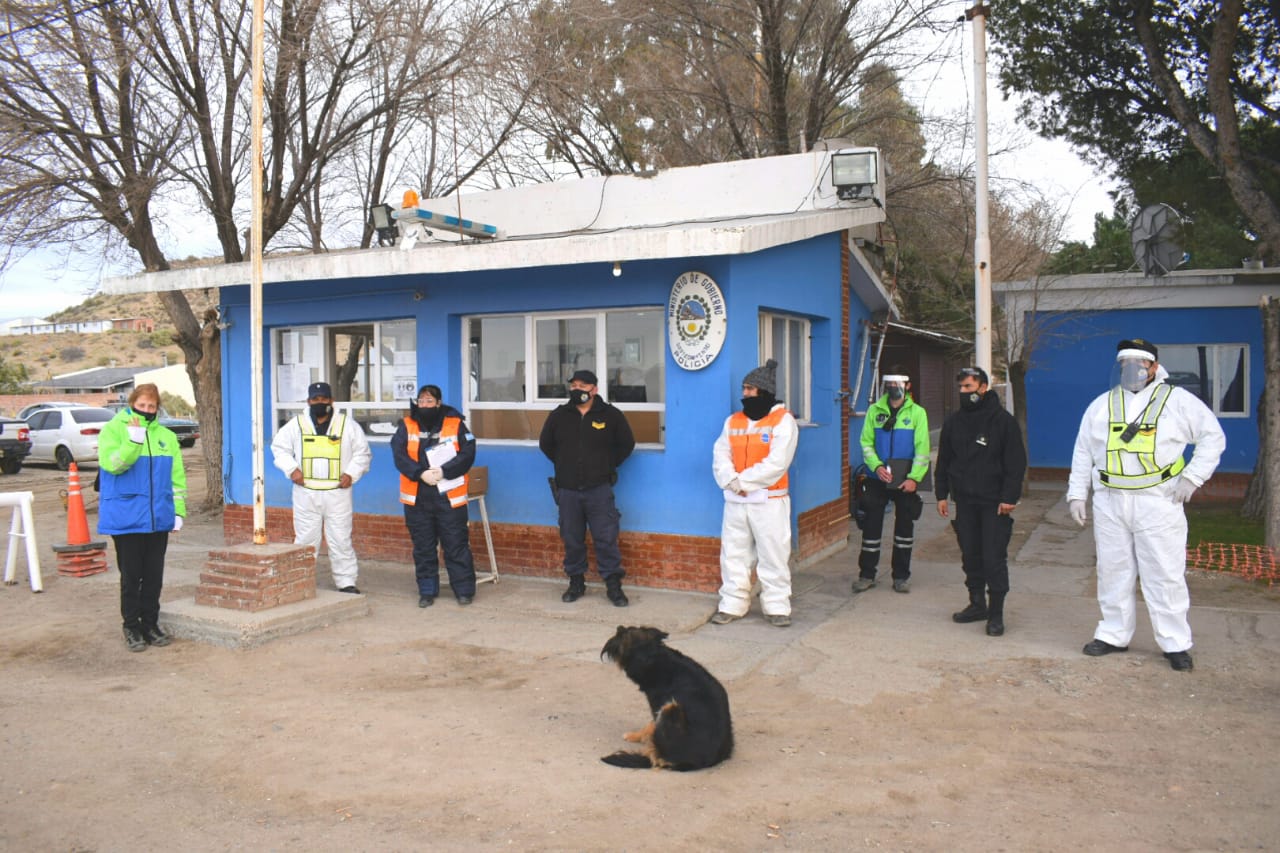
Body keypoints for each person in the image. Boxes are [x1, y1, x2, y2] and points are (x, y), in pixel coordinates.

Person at [1067, 339, 1225, 672]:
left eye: (1139, 363)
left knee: (1164, 573)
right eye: (1125, 363)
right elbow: (1083, 452)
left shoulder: (1178, 402)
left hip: (1159, 501)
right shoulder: (1102, 405)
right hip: (1111, 501)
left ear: (1154, 366)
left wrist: (1192, 478)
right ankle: (1113, 634)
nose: (1132, 369)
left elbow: (1213, 436)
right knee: (1113, 571)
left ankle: (1175, 642)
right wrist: (1077, 493)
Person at [935, 366, 1027, 637]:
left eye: (969, 387)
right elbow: (944, 461)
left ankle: (996, 614)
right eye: (961, 388)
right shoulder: (954, 422)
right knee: (970, 554)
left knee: (993, 557)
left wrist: (1009, 497)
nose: (964, 392)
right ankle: (977, 604)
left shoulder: (1002, 422)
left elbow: (1015, 463)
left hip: (993, 503)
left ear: (983, 388)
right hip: (965, 501)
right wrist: (942, 494)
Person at [97, 383, 187, 651]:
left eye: (152, 406)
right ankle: (131, 627)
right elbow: (113, 465)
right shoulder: (113, 429)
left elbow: (177, 478)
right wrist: (133, 441)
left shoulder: (166, 437)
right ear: (132, 404)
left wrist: (178, 511)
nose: (147, 410)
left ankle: (150, 623)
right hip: (127, 518)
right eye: (142, 405)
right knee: (131, 576)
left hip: (158, 517)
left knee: (153, 576)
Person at [710, 359, 800, 627]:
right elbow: (720, 454)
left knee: (773, 554)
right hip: (736, 502)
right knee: (733, 554)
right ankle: (732, 604)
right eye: (744, 388)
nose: (745, 394)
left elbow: (777, 462)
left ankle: (777, 606)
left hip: (769, 502)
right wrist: (730, 480)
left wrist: (742, 481)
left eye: (750, 389)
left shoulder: (783, 422)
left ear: (765, 391)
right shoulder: (733, 421)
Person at [539, 369, 636, 606]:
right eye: (573, 386)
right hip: (568, 490)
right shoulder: (560, 415)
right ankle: (576, 583)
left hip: (598, 490)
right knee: (572, 538)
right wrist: (565, 465)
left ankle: (614, 587)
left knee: (605, 538)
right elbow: (546, 445)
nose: (577, 390)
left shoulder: (610, 415)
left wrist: (607, 465)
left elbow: (626, 444)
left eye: (582, 386)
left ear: (594, 389)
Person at [270, 381, 372, 593]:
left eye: (324, 399)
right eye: (315, 399)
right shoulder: (296, 425)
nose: (320, 403)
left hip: (338, 493)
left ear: (331, 401)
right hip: (306, 493)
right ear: (308, 402)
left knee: (341, 539)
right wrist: (292, 470)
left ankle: (346, 582)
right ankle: (300, 581)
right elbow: (279, 448)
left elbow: (362, 453)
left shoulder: (347, 425)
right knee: (306, 540)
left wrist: (351, 474)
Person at [391, 384, 478, 608]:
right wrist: (419, 473)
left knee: (456, 545)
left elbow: (468, 453)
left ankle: (464, 590)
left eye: (430, 401)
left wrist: (444, 471)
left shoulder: (455, 423)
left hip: (449, 496)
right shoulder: (407, 425)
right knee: (423, 547)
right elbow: (399, 455)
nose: (425, 405)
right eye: (421, 401)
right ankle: (427, 591)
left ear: (438, 403)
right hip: (418, 496)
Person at [853, 369, 930, 594]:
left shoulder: (917, 413)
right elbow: (866, 442)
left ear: (907, 386)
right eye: (890, 383)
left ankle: (901, 576)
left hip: (905, 478)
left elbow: (922, 448)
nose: (893, 387)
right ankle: (867, 575)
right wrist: (876, 465)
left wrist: (914, 478)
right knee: (871, 527)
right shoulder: (874, 411)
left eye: (898, 383)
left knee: (905, 528)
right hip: (878, 477)